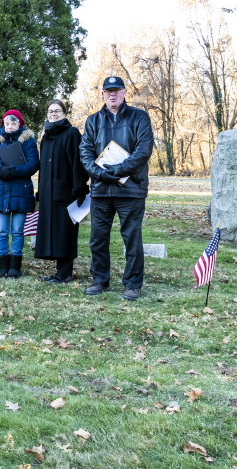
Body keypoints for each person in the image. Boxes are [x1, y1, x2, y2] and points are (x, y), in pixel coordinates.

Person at [80, 76, 155, 301]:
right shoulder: (93, 121)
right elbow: (85, 153)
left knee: (131, 238)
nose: (112, 94)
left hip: (131, 189)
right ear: (103, 94)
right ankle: (100, 280)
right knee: (98, 238)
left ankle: (132, 284)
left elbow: (144, 149)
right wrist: (101, 174)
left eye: (116, 91)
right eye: (108, 91)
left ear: (124, 93)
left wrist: (120, 170)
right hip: (102, 190)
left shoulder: (140, 117)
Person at [34, 99, 88, 283]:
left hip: (66, 193)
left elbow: (77, 163)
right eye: (50, 111)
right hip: (49, 194)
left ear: (64, 113)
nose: (53, 114)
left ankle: (65, 273)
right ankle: (59, 272)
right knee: (53, 232)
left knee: (65, 233)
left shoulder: (71, 133)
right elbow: (43, 167)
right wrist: (40, 193)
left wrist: (79, 189)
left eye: (57, 110)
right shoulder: (47, 136)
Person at [0, 109, 39, 278]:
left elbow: (33, 165)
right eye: (7, 123)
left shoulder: (28, 141)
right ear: (3, 124)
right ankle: (3, 265)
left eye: (14, 123)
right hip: (0, 191)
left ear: (20, 124)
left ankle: (15, 266)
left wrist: (14, 170)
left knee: (17, 231)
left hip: (20, 190)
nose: (10, 126)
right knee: (2, 231)